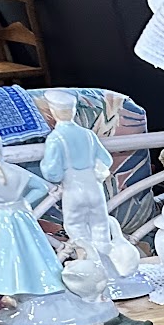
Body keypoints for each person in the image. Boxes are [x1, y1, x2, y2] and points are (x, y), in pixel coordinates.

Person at [0, 126, 63, 299]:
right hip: (21, 214)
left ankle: (11, 287)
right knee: (32, 247)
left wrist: (2, 206)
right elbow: (41, 188)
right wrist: (23, 203)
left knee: (5, 252)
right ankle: (40, 281)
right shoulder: (14, 170)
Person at [37, 90, 114, 260]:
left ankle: (89, 261)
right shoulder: (88, 134)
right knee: (100, 225)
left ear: (53, 112)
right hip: (94, 188)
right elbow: (106, 160)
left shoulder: (56, 138)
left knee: (76, 227)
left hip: (73, 189)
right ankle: (106, 261)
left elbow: (53, 173)